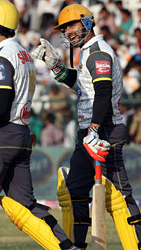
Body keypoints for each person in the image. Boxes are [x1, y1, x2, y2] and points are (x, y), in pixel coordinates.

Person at [0, 1, 77, 250]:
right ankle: (66, 247)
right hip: (21, 133)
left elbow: (0, 106)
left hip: (1, 135)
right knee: (25, 206)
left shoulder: (2, 56)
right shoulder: (22, 53)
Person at [31, 4, 141, 250]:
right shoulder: (88, 51)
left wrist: (93, 129)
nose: (68, 32)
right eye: (64, 28)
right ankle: (79, 245)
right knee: (75, 189)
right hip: (89, 132)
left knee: (120, 195)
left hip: (104, 130)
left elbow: (102, 93)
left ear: (87, 22)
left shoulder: (98, 52)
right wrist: (55, 66)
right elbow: (82, 86)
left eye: (72, 25)